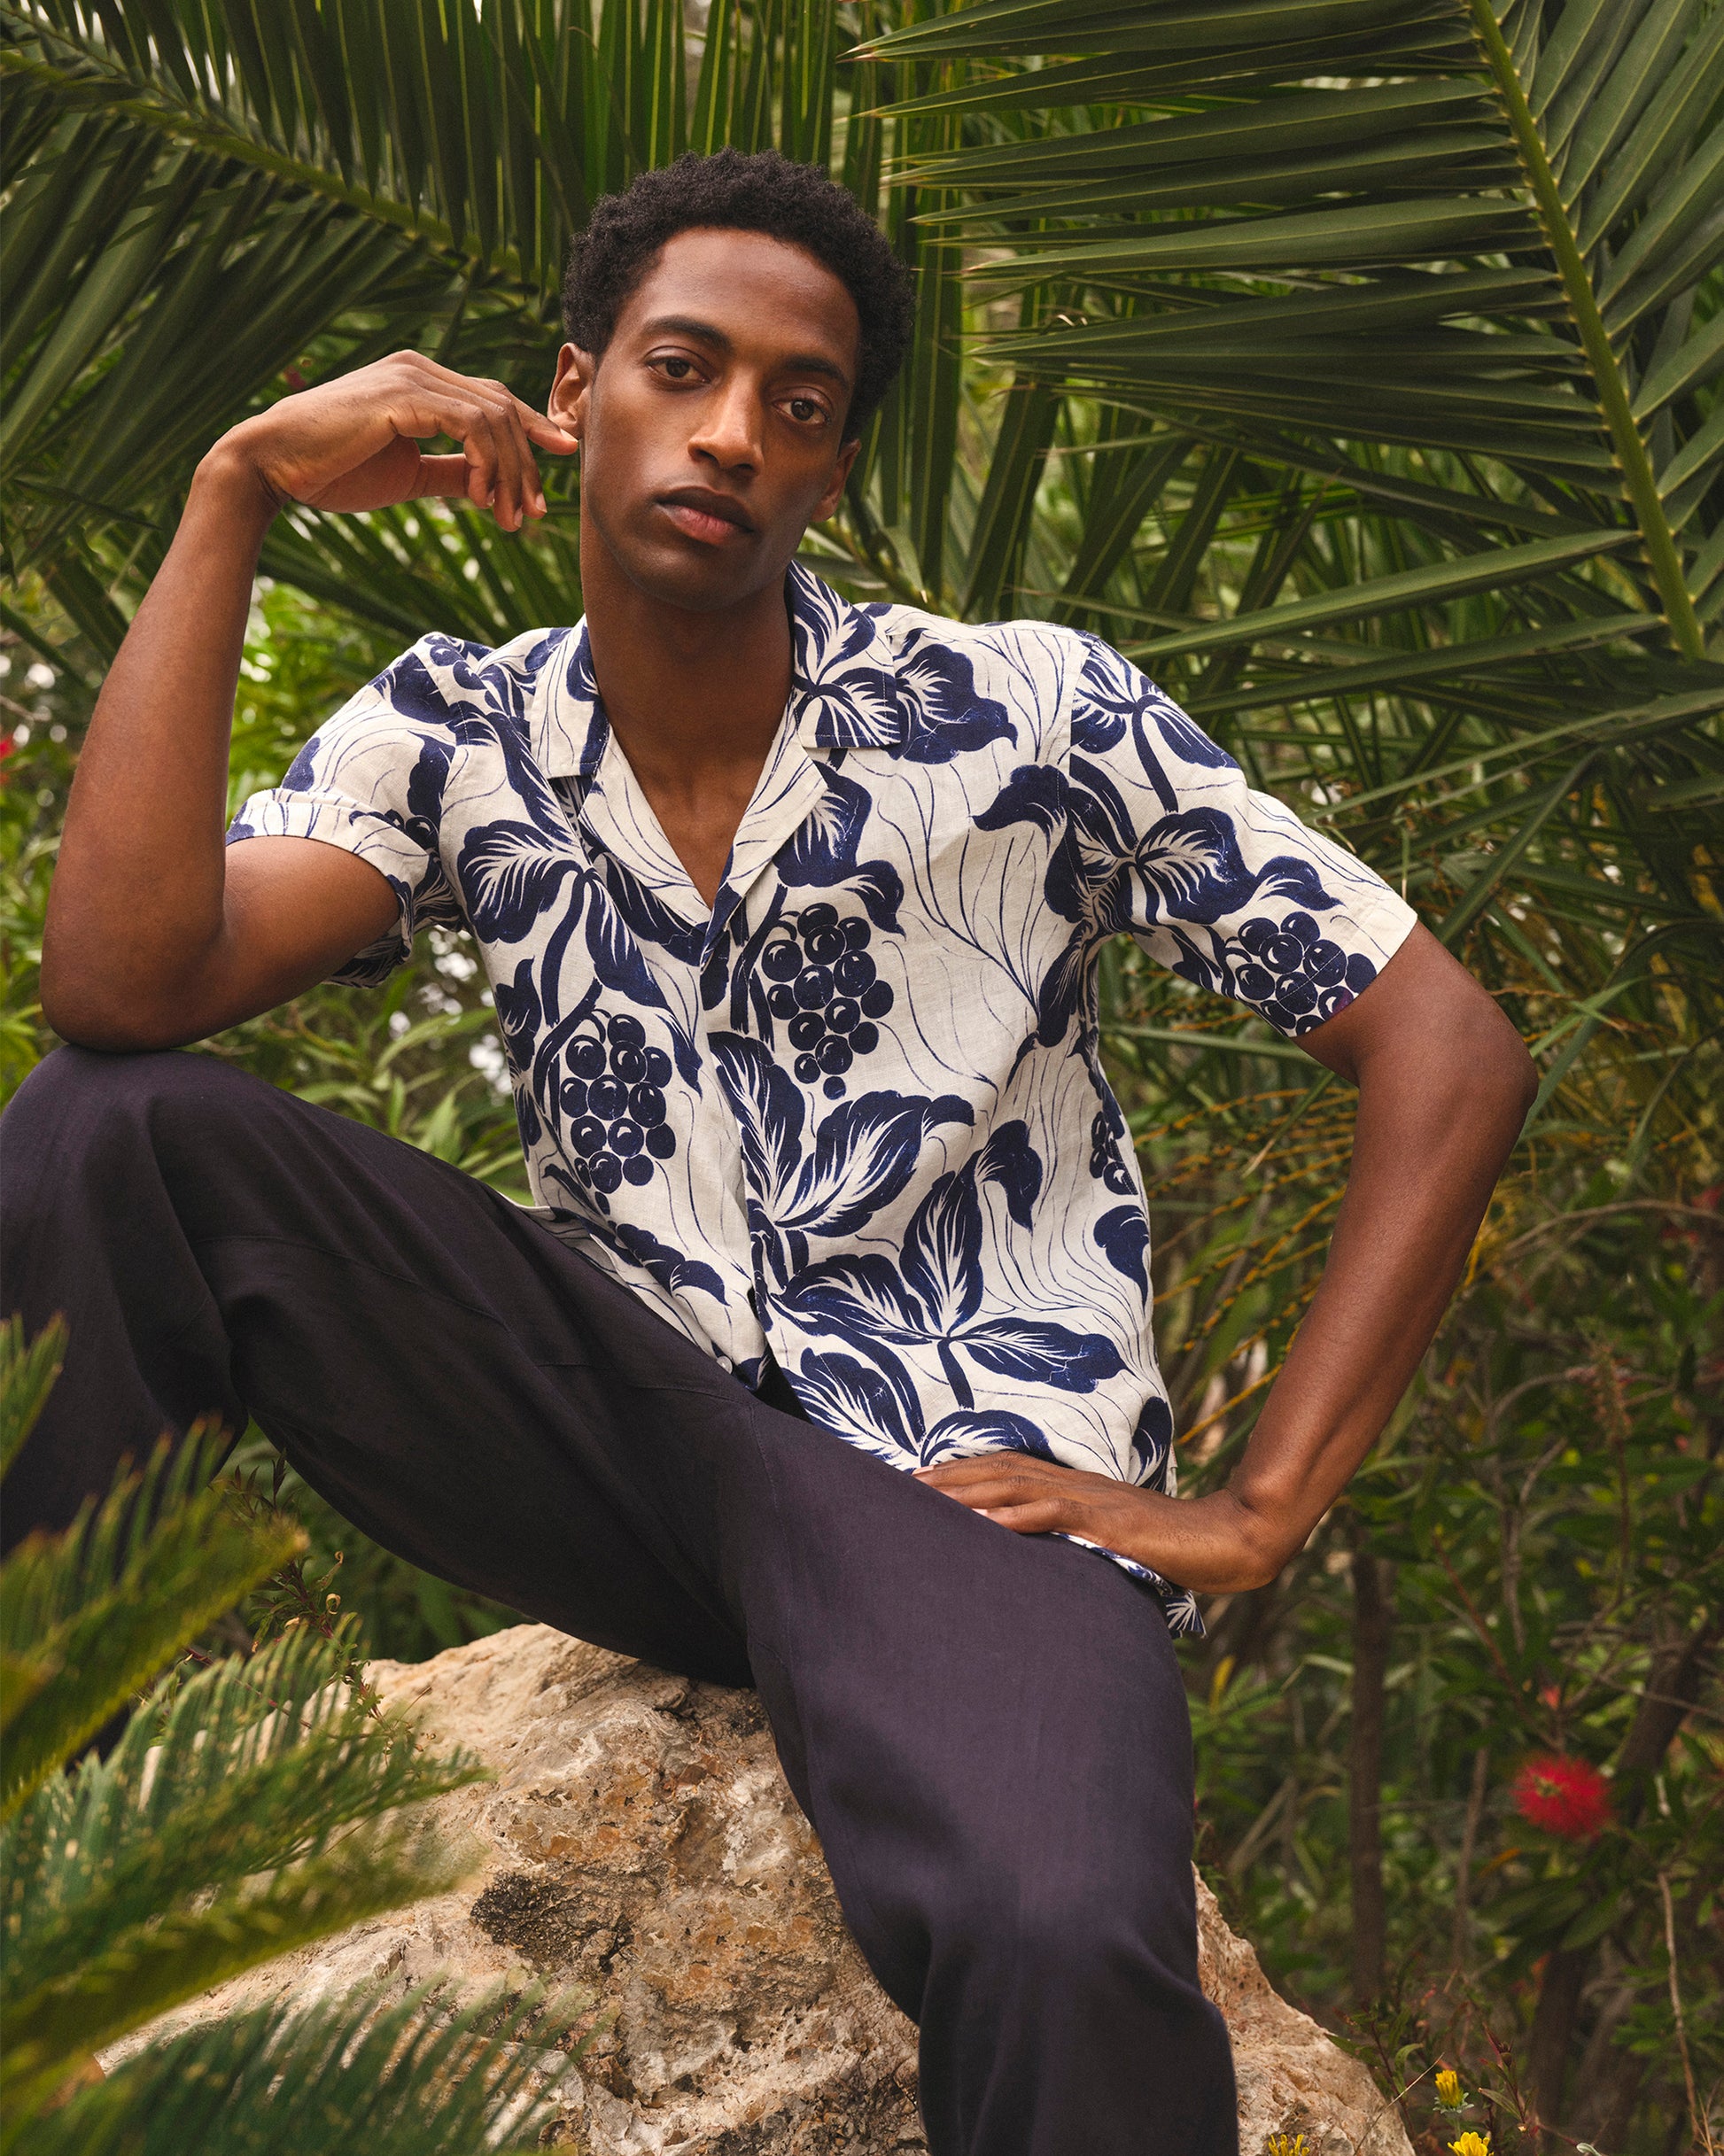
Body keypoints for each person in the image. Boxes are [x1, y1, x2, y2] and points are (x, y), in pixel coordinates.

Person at [2, 148, 1535, 2152]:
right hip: (615, 1439)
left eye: (795, 405)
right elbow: (118, 988)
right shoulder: (452, 736)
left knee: (1062, 1929)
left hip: (956, 1486)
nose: (731, 428)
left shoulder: (1023, 715)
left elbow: (1449, 1042)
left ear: (828, 471)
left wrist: (1255, 1507)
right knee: (112, 1129)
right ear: (573, 393)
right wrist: (234, 493)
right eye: (681, 365)